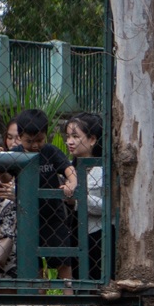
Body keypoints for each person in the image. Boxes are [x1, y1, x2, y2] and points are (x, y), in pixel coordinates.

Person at [14, 109, 74, 278]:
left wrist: (71, 183)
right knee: (33, 261)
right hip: (27, 216)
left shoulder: (50, 151)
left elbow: (69, 170)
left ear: (46, 135)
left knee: (63, 259)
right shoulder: (16, 154)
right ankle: (38, 295)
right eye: (29, 141)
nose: (35, 145)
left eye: (39, 140)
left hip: (54, 215)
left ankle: (67, 295)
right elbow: (5, 175)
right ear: (20, 137)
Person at [59, 112, 107, 280]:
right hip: (73, 235)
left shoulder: (104, 170)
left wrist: (78, 199)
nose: (69, 142)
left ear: (92, 139)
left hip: (100, 238)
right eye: (68, 136)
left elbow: (111, 207)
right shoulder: (66, 170)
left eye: (75, 136)